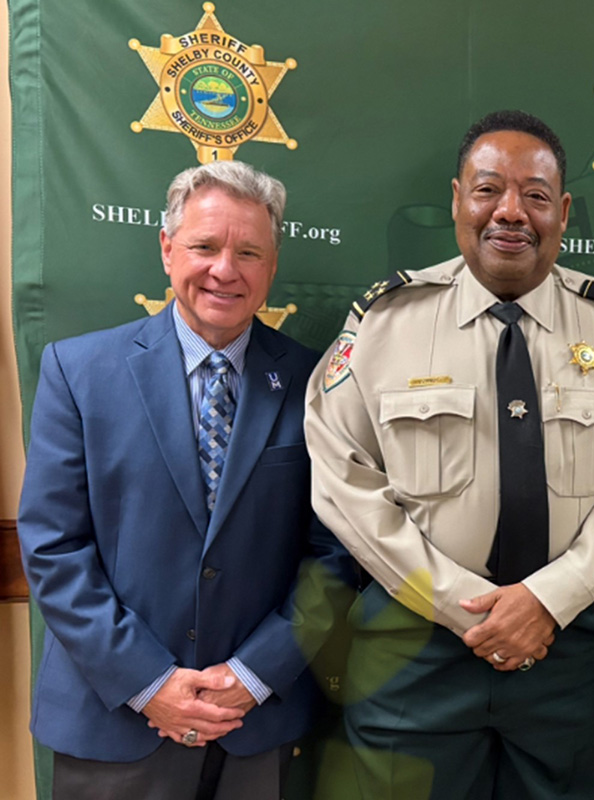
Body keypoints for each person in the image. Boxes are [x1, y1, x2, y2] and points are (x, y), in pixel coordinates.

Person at [304, 109, 594, 800]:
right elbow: (342, 480)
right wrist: (464, 608)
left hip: (563, 655)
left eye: (535, 196)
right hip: (414, 652)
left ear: (563, 211)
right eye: (488, 190)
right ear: (458, 199)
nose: (511, 212)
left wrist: (548, 599)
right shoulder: (386, 324)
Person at [18, 161, 353, 799]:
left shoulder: (319, 383)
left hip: (257, 723)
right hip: (114, 721)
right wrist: (151, 684)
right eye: (205, 246)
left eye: (249, 251)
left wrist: (253, 676)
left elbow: (334, 553)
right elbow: (53, 546)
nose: (226, 270)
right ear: (168, 249)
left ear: (272, 264)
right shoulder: (77, 370)